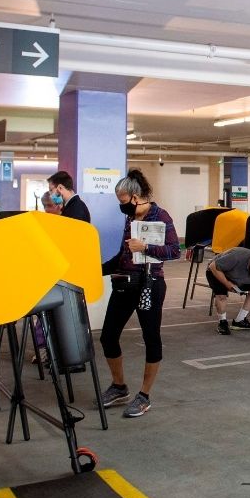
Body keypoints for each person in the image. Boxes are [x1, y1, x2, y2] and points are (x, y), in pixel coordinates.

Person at [98, 169, 180, 418]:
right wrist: (97, 269)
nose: (122, 207)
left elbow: (175, 251)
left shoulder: (161, 216)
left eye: (123, 202)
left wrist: (146, 246)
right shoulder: (130, 219)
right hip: (125, 283)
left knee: (151, 338)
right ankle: (119, 386)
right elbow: (124, 256)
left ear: (135, 196)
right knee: (108, 337)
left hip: (150, 285)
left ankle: (144, 395)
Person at [207, 247, 250, 335]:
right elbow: (213, 266)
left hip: (238, 277)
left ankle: (239, 321)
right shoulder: (237, 257)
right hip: (217, 272)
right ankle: (222, 323)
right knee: (221, 296)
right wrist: (226, 283)